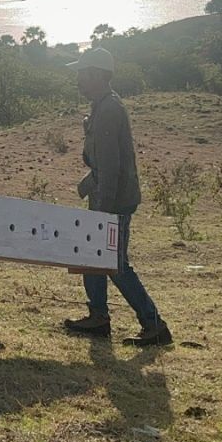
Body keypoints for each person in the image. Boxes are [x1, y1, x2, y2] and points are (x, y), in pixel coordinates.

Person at [62, 47, 172, 347]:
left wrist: (102, 212)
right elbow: (101, 164)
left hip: (111, 201)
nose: (78, 81)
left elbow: (111, 168)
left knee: (114, 264)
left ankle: (153, 325)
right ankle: (98, 317)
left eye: (82, 75)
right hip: (105, 196)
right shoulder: (102, 106)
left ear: (97, 75)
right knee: (92, 258)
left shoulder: (109, 109)